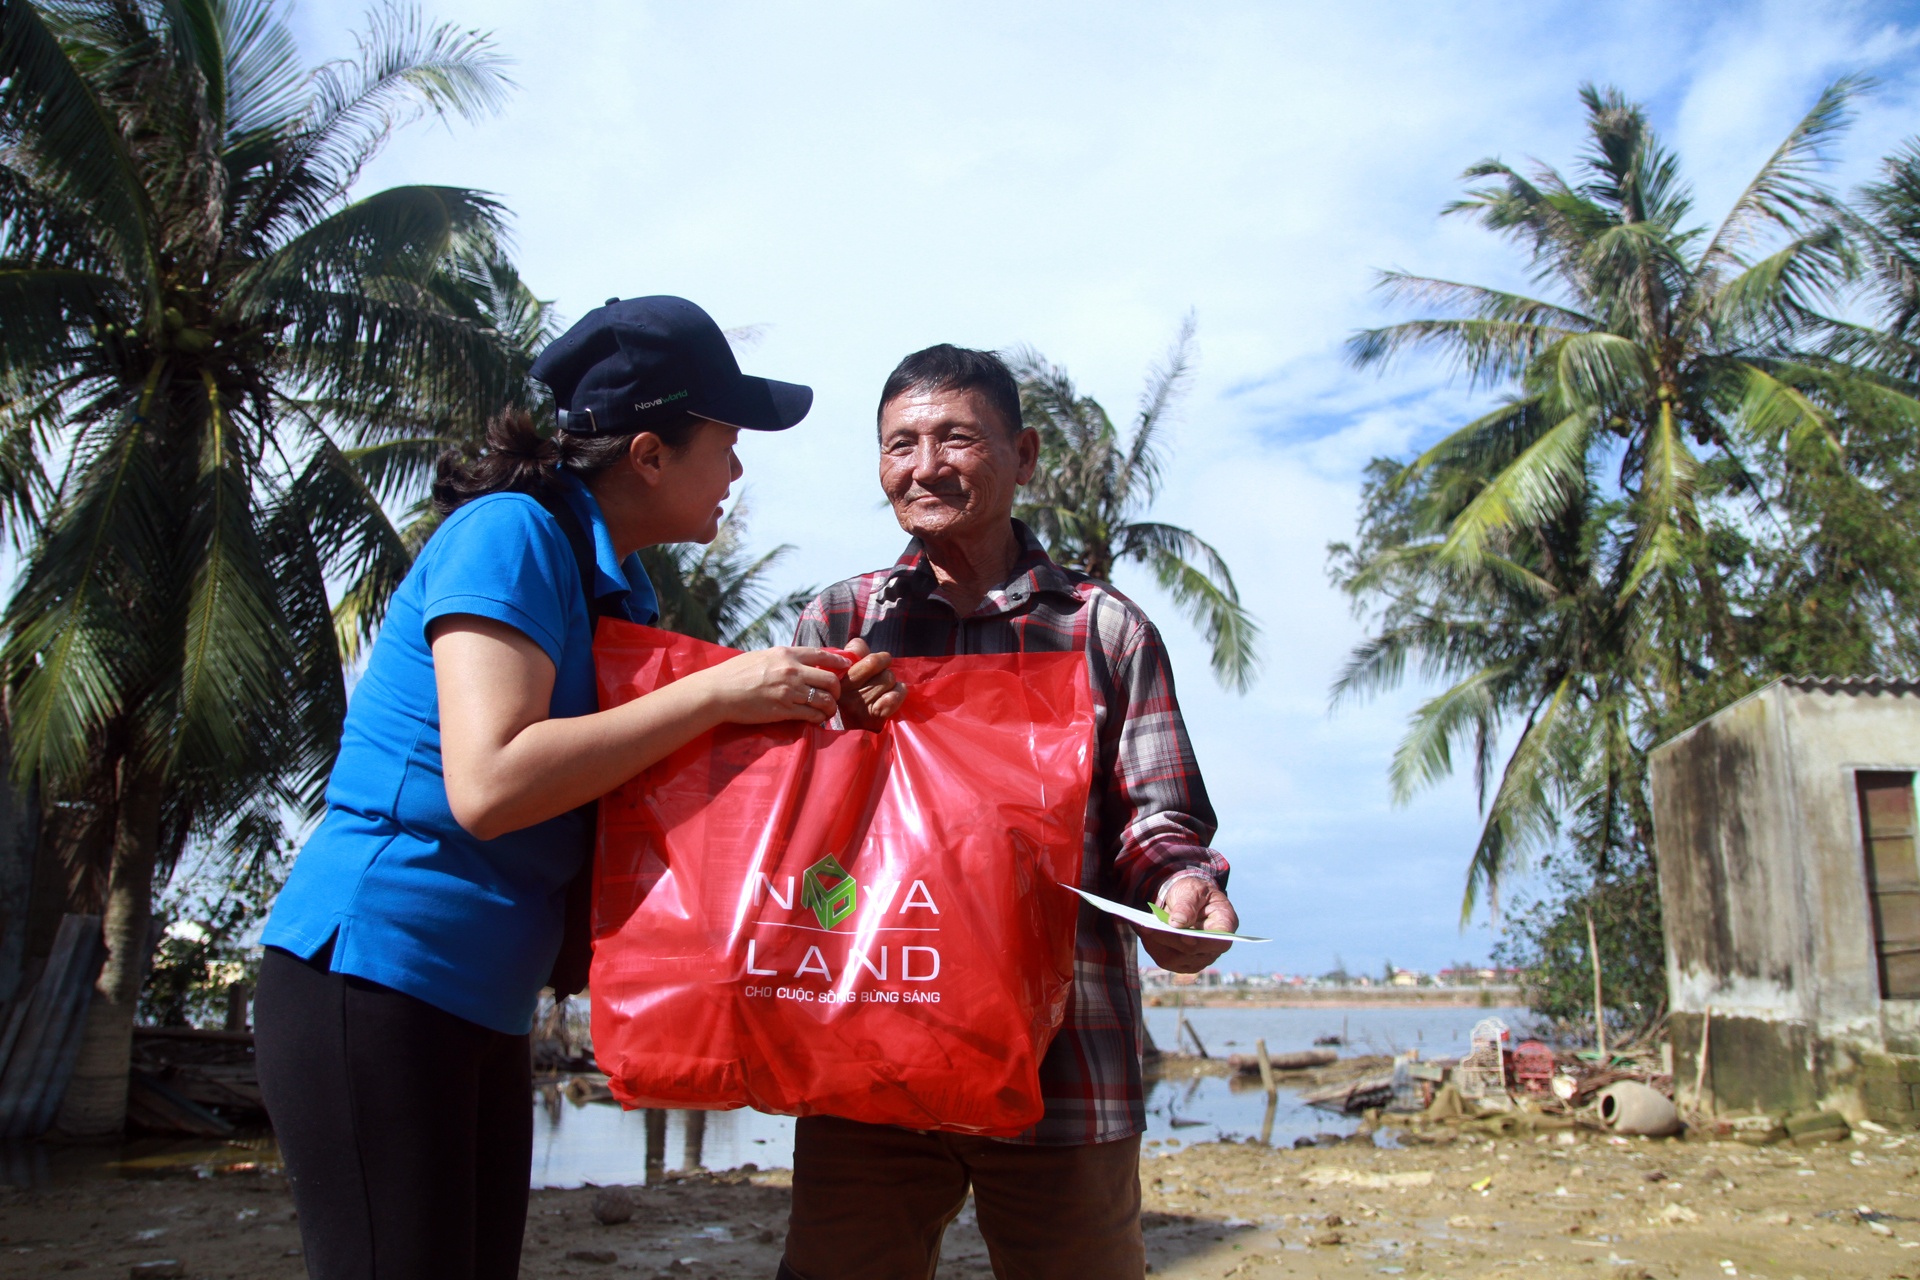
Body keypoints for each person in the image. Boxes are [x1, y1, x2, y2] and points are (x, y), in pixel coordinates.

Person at [254, 296, 896, 1280]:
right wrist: (718, 690)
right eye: (725, 441)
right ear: (648, 452)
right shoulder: (506, 535)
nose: (735, 469)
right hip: (380, 967)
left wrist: (821, 702)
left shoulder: (621, 590)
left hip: (484, 994)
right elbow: (492, 781)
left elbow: (642, 771)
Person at [778, 345, 1240, 1280]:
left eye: (957, 437)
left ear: (1023, 456)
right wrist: (835, 738)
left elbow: (1155, 820)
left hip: (1063, 1058)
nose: (924, 465)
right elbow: (788, 820)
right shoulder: (839, 623)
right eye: (899, 443)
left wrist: (1185, 889)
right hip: (875, 1041)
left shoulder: (1103, 628)